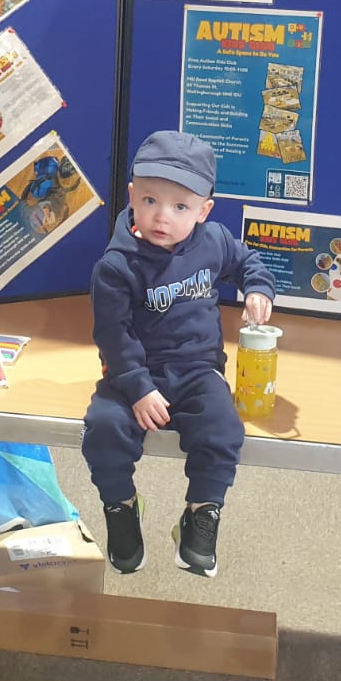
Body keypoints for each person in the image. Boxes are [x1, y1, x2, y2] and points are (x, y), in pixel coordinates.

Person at [82, 131, 275, 578]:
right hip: (133, 373)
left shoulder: (214, 240)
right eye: (149, 200)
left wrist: (258, 289)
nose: (161, 217)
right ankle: (121, 506)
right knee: (103, 429)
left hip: (197, 370)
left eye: (180, 207)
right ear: (132, 196)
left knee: (224, 430)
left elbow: (249, 263)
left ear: (204, 210)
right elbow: (112, 333)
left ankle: (201, 514)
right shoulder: (116, 266)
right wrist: (138, 389)